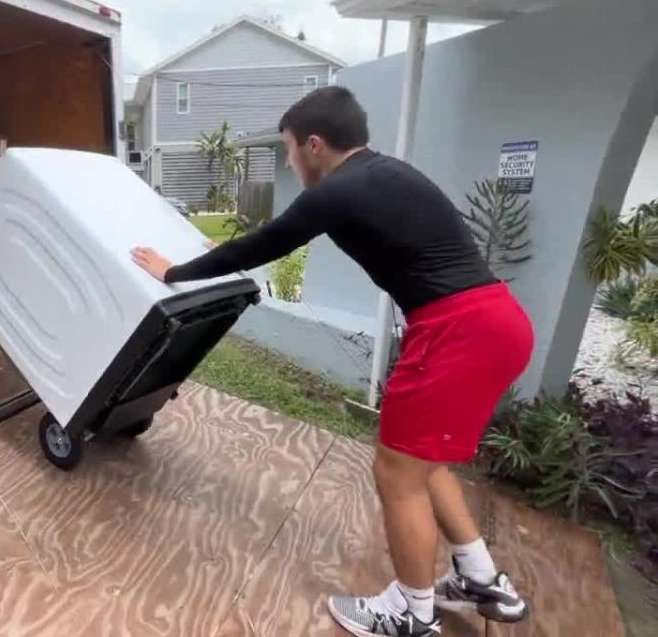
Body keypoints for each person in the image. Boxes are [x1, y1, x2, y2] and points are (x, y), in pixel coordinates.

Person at [132, 86, 533, 637]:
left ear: (315, 143)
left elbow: (259, 246)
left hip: (456, 332)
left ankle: (411, 614)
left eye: (291, 150)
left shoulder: (337, 189)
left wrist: (172, 272)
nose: (292, 162)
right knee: (423, 461)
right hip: (499, 321)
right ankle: (480, 577)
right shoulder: (389, 172)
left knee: (396, 472)